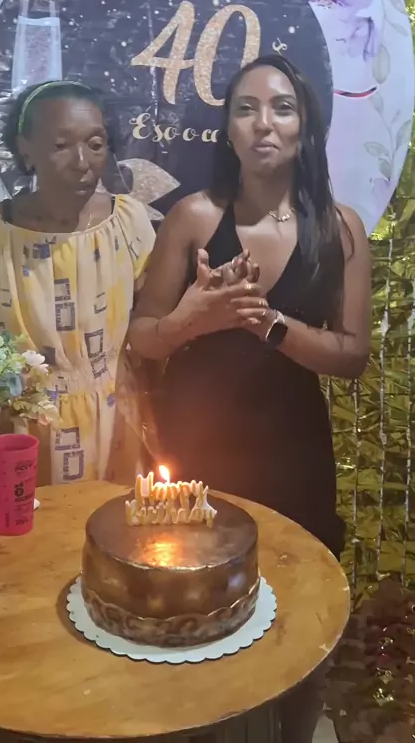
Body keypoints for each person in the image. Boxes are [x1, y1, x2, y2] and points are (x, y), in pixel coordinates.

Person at [128, 54, 371, 743]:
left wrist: (270, 323)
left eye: (282, 107)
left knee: (300, 615)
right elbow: (142, 338)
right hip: (196, 455)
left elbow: (352, 356)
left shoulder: (341, 229)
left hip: (292, 454)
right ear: (228, 131)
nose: (264, 123)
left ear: (305, 127)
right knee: (186, 610)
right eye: (246, 108)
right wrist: (194, 320)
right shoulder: (193, 218)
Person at [0, 80, 155, 485]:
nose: (82, 162)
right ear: (26, 149)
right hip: (24, 429)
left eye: (95, 144)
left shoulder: (127, 222)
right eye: (61, 145)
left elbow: (148, 325)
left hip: (114, 417)